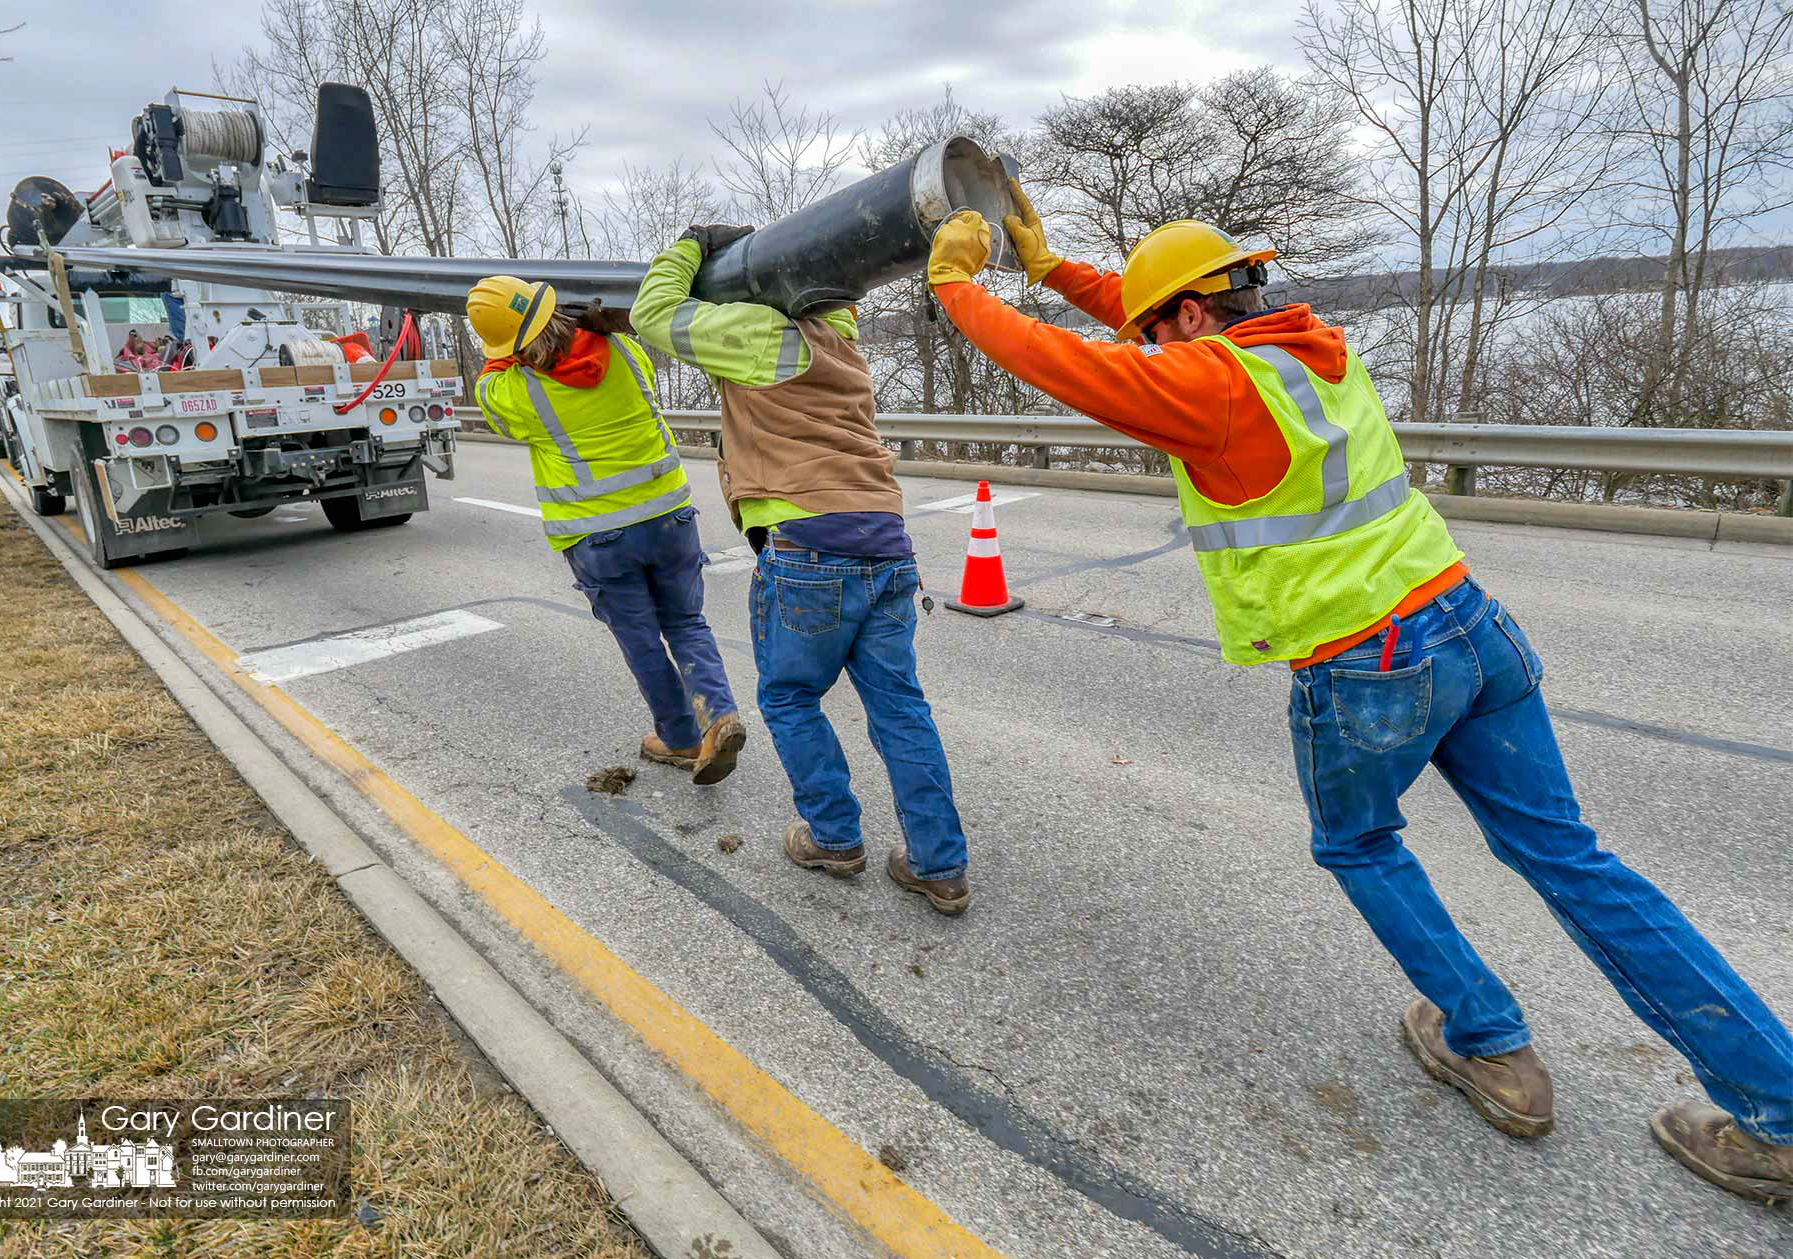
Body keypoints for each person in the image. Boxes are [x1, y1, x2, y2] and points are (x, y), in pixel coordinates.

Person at [923, 188, 1793, 1201]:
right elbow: (1138, 313)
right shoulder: (1313, 347)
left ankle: (1492, 1043)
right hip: (1470, 621)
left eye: (1158, 329)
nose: (1148, 342)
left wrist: (957, 284)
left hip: (1371, 664)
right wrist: (1052, 269)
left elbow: (1062, 362)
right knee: (1572, 857)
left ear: (1194, 320)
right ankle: (1778, 1105)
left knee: (1357, 842)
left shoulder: (1213, 387)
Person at [632, 225, 973, 915]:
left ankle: (835, 837)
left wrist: (692, 248)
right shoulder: (844, 337)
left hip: (809, 546)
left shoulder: (764, 338)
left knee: (789, 698)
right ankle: (940, 865)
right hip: (885, 541)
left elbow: (652, 314)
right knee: (900, 708)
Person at [466, 276, 744, 784]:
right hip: (669, 518)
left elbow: (489, 381)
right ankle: (719, 713)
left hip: (600, 537)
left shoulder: (514, 390)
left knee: (640, 638)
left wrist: (508, 352)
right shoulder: (626, 351)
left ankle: (680, 738)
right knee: (685, 622)